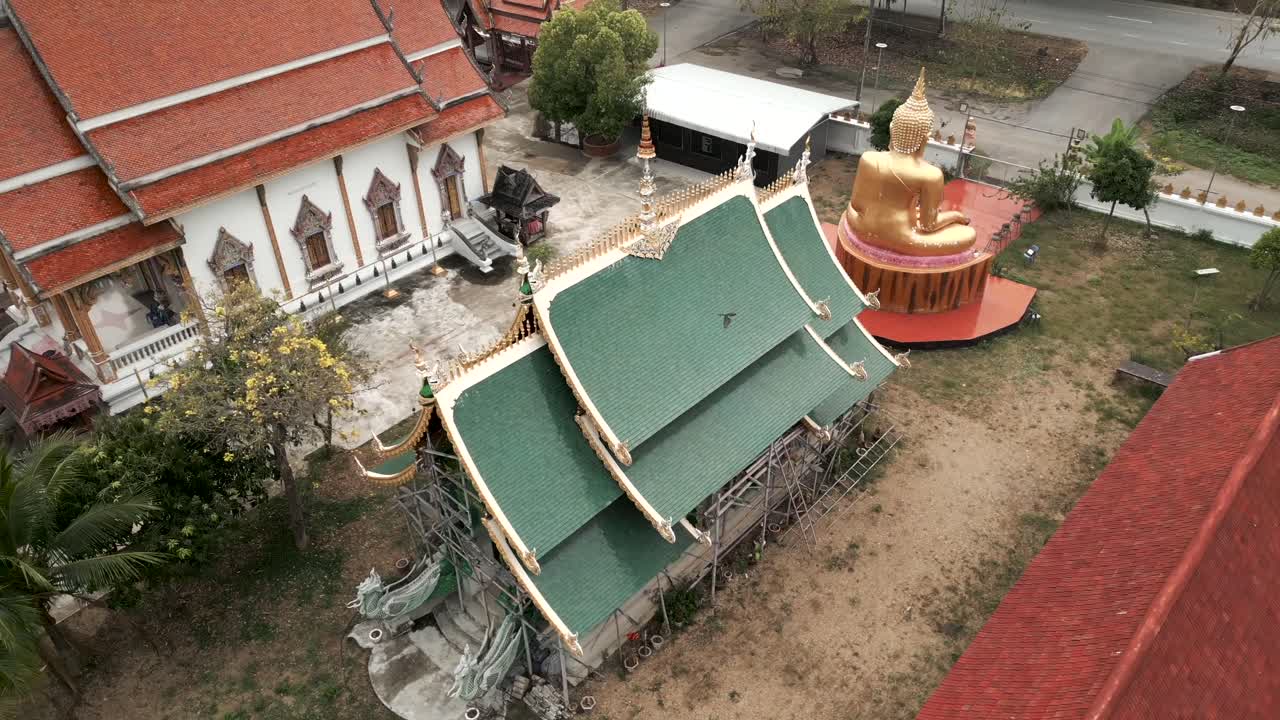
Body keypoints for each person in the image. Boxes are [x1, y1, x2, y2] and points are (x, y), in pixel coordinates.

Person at [843, 68, 976, 257]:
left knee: (854, 210)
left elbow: (856, 204)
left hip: (862, 226)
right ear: (925, 138)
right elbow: (928, 225)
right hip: (900, 237)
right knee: (967, 234)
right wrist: (955, 216)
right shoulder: (930, 174)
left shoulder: (869, 158)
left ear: (892, 129)